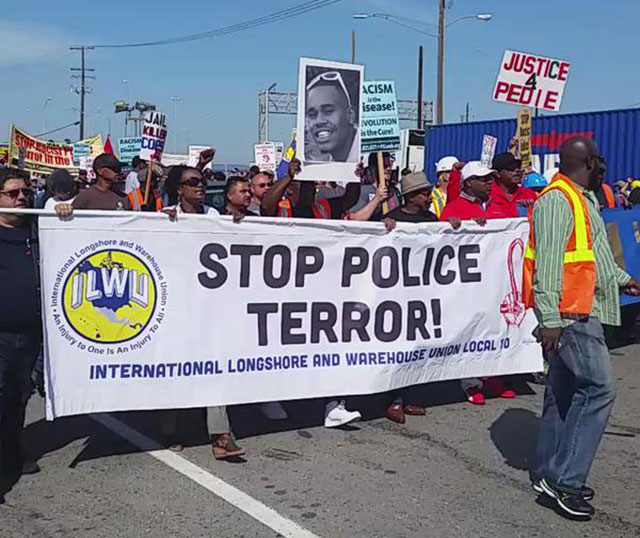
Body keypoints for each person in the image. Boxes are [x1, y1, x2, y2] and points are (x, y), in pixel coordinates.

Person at [524, 136, 640, 519]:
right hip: (571, 314)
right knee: (600, 390)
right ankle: (566, 482)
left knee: (563, 392)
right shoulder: (557, 201)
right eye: (598, 160)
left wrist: (622, 279)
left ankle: (547, 472)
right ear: (588, 162)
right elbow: (548, 266)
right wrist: (550, 320)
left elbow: (594, 257)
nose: (602, 166)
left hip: (578, 309)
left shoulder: (584, 199)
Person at [440, 162, 517, 404]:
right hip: (467, 284)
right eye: (482, 180)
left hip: (495, 281)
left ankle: (492, 375)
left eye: (489, 179)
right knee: (471, 329)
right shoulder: (454, 209)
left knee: (495, 326)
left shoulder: (498, 204)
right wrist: (452, 225)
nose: (488, 184)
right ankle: (471, 381)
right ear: (468, 183)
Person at [0, 169, 42, 504]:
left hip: (30, 335)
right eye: (12, 193)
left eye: (24, 192)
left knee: (20, 398)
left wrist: (63, 215)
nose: (21, 198)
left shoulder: (37, 231)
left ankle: (15, 448)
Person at [261, 158, 361, 220]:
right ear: (291, 188)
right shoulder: (282, 210)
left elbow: (350, 198)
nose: (311, 190)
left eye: (311, 185)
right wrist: (289, 176)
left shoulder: (322, 208)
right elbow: (265, 206)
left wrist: (353, 174)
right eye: (305, 186)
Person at [304, 70, 358, 162]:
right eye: (312, 114)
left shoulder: (368, 159)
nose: (319, 121)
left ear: (350, 115)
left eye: (328, 111)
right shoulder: (330, 161)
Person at [55, 153, 131, 216]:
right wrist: (62, 208)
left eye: (119, 169)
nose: (118, 172)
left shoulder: (124, 197)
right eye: (114, 169)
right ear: (100, 171)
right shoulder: (85, 196)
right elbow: (70, 218)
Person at [487, 153, 537, 218]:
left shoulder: (529, 195)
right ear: (497, 174)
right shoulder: (486, 195)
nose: (517, 171)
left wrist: (533, 207)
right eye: (511, 168)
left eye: (518, 167)